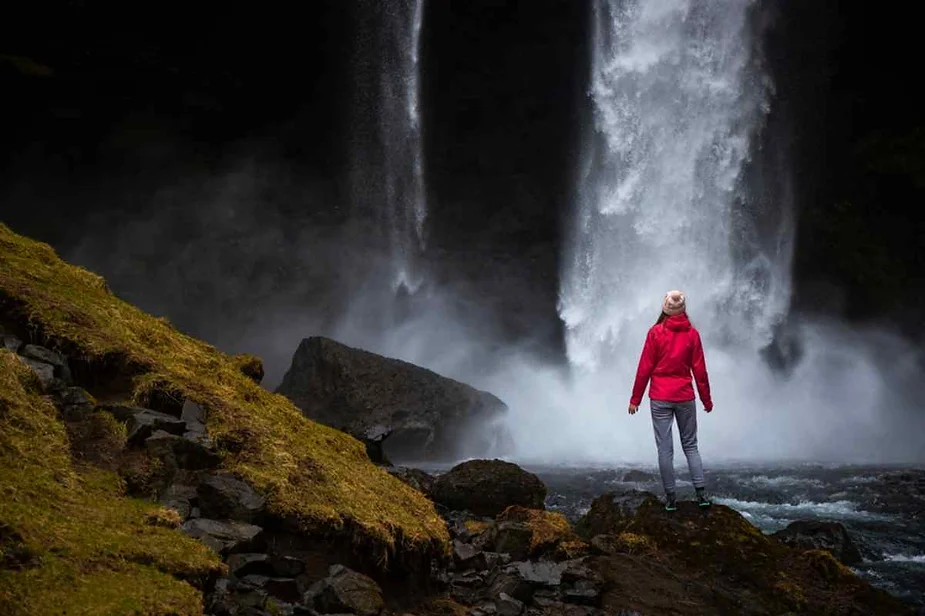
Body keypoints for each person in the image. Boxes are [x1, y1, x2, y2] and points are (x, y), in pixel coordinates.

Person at [628, 290, 713, 512]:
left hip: (660, 398)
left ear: (664, 309)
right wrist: (707, 400)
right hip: (685, 396)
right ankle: (701, 494)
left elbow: (644, 368)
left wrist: (635, 399)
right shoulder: (692, 335)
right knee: (691, 446)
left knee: (665, 450)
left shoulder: (655, 333)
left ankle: (671, 499)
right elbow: (700, 370)